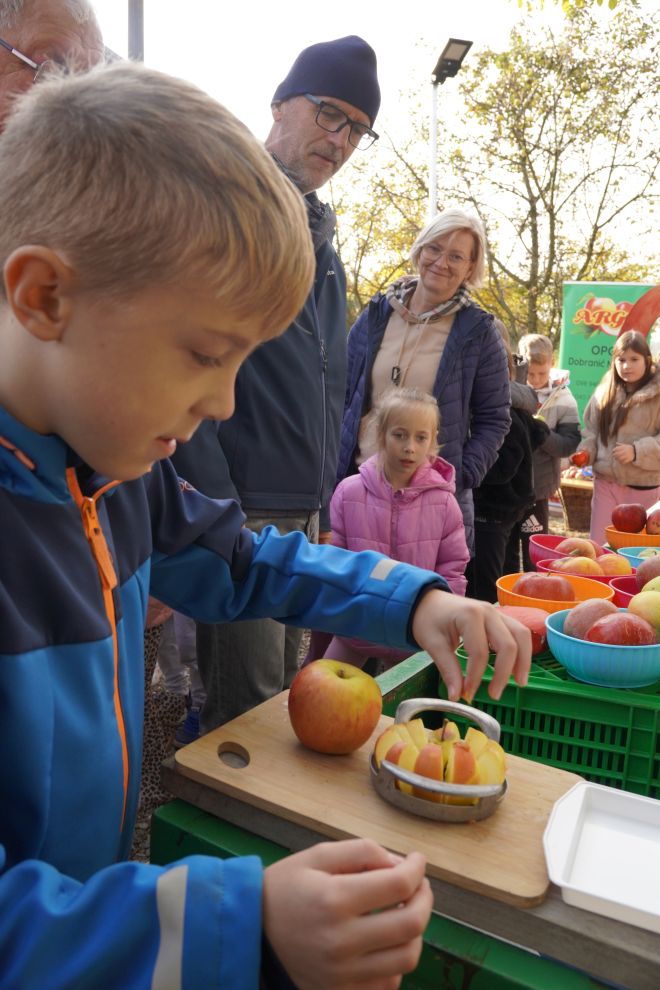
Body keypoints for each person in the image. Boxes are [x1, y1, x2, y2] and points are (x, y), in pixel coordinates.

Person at [0, 61, 532, 989]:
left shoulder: (118, 479)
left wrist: (411, 602)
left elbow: (244, 564)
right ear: (45, 297)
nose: (226, 401)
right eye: (206, 354)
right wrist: (233, 927)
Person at [170, 35, 383, 732]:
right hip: (243, 507)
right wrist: (212, 501)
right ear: (280, 104)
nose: (341, 137)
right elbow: (185, 357)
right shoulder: (231, 207)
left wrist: (325, 484)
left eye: (357, 127)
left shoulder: (321, 235)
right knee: (251, 707)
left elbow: (326, 379)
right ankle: (212, 830)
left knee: (282, 693)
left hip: (301, 505)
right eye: (328, 112)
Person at [336, 207, 511, 556]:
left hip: (430, 506)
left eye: (456, 256)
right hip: (359, 490)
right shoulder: (376, 315)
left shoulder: (478, 332)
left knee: (423, 604)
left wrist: (457, 476)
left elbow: (495, 419)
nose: (441, 262)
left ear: (470, 268)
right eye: (434, 248)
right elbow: (339, 397)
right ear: (419, 250)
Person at [310, 387, 470, 668]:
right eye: (400, 435)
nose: (410, 447)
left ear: (433, 441)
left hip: (415, 632)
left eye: (421, 438)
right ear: (381, 435)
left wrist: (443, 618)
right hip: (357, 627)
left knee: (409, 706)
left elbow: (452, 569)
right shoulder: (349, 492)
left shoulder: (444, 502)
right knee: (321, 687)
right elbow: (336, 560)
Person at [467, 338, 550, 602]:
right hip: (504, 509)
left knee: (488, 581)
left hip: (493, 511)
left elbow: (503, 467)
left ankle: (494, 625)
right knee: (505, 569)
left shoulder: (506, 416)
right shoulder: (510, 408)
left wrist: (468, 468)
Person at [573, 330, 660, 547]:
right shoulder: (604, 391)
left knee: (639, 552)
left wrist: (637, 451)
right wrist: (586, 453)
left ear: (647, 360)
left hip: (644, 488)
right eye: (621, 359)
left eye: (634, 359)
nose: (626, 366)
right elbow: (592, 431)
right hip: (606, 484)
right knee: (600, 547)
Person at [504, 334, 581, 572]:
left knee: (534, 552)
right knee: (505, 552)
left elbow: (570, 443)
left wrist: (544, 436)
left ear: (551, 365)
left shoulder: (563, 398)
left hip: (538, 489)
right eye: (531, 374)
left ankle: (535, 592)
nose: (536, 380)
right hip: (508, 487)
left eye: (542, 374)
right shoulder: (508, 390)